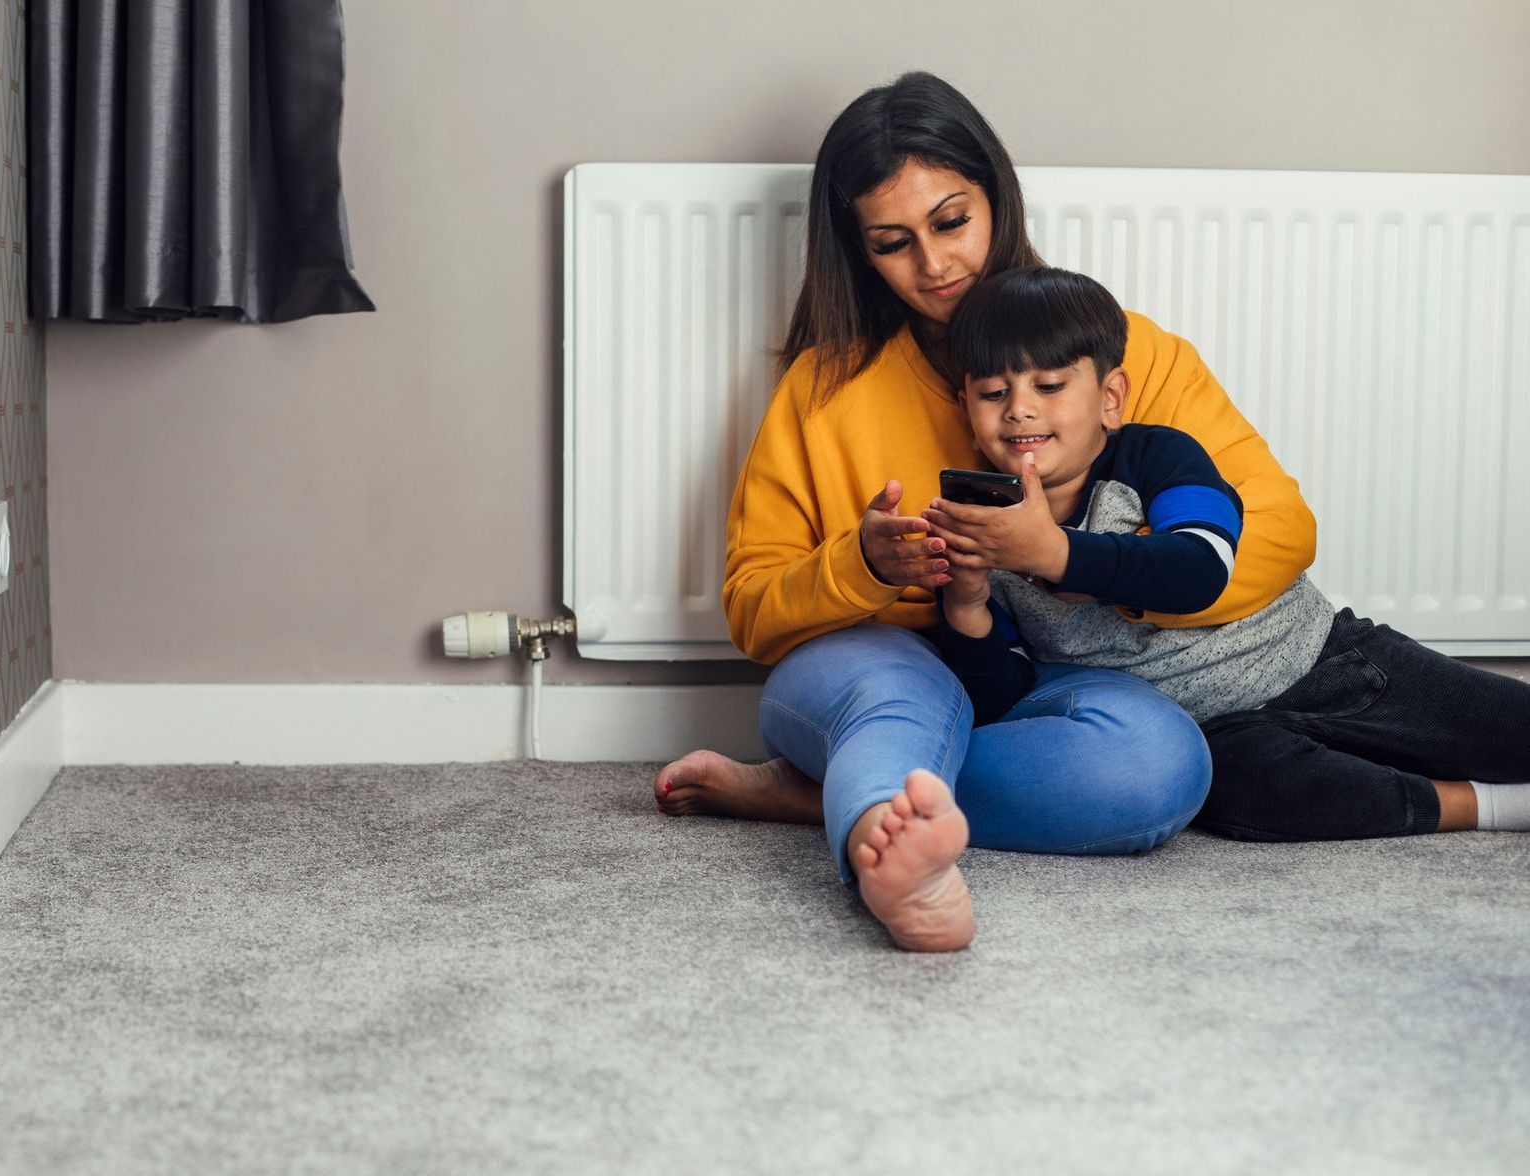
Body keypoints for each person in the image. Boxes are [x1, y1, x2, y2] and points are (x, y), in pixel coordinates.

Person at [654, 72, 1317, 953]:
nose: (935, 266)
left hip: (1044, 670)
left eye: (952, 221)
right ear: (858, 250)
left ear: (997, 198)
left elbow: (1279, 528)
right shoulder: (821, 389)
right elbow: (750, 606)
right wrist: (864, 567)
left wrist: (1070, 566)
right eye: (892, 242)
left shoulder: (1122, 350)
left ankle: (829, 791)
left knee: (1160, 765)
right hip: (881, 662)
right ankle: (885, 860)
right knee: (902, 693)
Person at [927, 265, 1530, 843]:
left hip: (1321, 661)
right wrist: (966, 605)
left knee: (1505, 726)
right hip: (1218, 730)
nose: (1019, 409)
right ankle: (1492, 805)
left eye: (1050, 386)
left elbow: (1201, 568)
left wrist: (1057, 552)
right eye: (993, 392)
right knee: (1250, 800)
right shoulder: (979, 528)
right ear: (966, 409)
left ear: (1111, 397)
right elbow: (1004, 698)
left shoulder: (1159, 457)